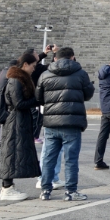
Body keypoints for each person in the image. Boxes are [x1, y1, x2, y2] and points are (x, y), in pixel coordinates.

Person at [35, 47, 94, 201]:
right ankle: (70, 191)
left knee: (49, 158)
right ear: (72, 57)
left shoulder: (45, 74)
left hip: (51, 122)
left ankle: (45, 190)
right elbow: (88, 94)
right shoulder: (81, 74)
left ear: (55, 58)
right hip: (72, 122)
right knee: (71, 159)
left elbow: (39, 97)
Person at [0, 52, 41, 201]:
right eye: (33, 66)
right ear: (25, 65)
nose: (34, 69)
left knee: (12, 153)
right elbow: (18, 103)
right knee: (11, 153)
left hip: (19, 120)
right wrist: (37, 100)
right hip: (16, 121)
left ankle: (7, 187)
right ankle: (7, 189)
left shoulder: (19, 78)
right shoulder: (16, 79)